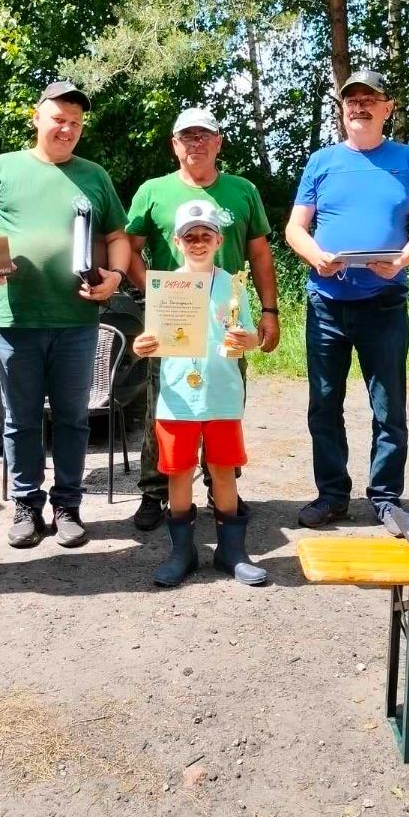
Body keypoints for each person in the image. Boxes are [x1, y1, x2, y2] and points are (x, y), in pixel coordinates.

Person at [285, 70, 409, 532]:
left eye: (370, 99)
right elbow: (295, 228)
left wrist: (401, 259)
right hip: (326, 303)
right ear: (342, 108)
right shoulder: (321, 162)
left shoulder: (408, 160)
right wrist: (316, 257)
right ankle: (332, 496)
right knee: (323, 404)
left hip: (384, 302)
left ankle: (386, 498)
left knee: (389, 408)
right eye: (352, 100)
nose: (359, 106)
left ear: (387, 108)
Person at [0, 81, 131, 549]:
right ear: (36, 118)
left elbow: (118, 235)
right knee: (20, 420)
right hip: (16, 319)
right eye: (58, 119)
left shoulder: (94, 175)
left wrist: (115, 276)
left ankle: (68, 505)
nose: (67, 129)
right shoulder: (2, 168)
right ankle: (26, 506)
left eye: (75, 123)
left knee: (73, 419)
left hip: (77, 320)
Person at [126, 106, 279, 531]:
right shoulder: (153, 190)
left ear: (218, 142)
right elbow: (129, 247)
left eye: (204, 135)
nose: (196, 143)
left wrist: (269, 311)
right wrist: (155, 292)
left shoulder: (242, 190)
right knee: (165, 403)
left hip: (227, 317)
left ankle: (221, 483)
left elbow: (260, 254)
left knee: (225, 399)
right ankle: (155, 491)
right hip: (174, 318)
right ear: (174, 144)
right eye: (187, 136)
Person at [133, 201, 266, 587]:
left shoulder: (234, 285)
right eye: (189, 236)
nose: (197, 242)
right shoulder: (164, 286)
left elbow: (250, 336)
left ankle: (231, 552)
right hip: (177, 398)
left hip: (222, 394)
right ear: (176, 242)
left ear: (219, 240)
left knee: (223, 471)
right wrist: (141, 346)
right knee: (178, 474)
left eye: (206, 235)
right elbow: (151, 339)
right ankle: (182, 553)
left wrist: (249, 340)